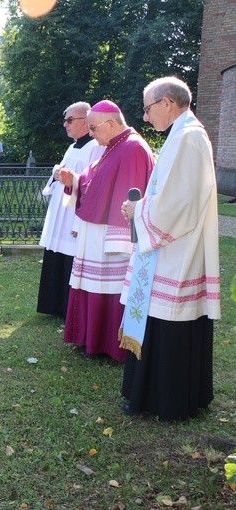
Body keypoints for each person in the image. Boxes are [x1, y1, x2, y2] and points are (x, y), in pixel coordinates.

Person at [119, 77, 220, 420]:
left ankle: (166, 399)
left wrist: (139, 211)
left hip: (176, 251)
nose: (146, 118)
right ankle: (152, 394)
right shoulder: (183, 134)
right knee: (160, 318)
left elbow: (178, 205)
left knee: (168, 319)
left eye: (147, 109)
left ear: (166, 103)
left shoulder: (188, 138)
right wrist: (145, 205)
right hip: (169, 247)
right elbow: (170, 195)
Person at [57, 100, 154, 362]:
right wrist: (74, 181)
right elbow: (93, 180)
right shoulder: (113, 146)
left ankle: (108, 345)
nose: (90, 133)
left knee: (108, 288)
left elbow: (130, 195)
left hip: (112, 241)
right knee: (92, 285)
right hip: (95, 234)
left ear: (110, 123)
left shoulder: (132, 148)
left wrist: (120, 242)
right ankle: (90, 339)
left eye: (93, 127)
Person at [36, 102, 99, 320]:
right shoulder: (72, 147)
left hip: (74, 213)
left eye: (70, 120)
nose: (65, 125)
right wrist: (57, 174)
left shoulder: (95, 148)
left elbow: (93, 184)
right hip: (60, 213)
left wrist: (70, 178)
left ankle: (67, 306)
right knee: (56, 255)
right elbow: (60, 176)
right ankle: (53, 304)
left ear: (85, 121)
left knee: (71, 258)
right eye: (65, 120)